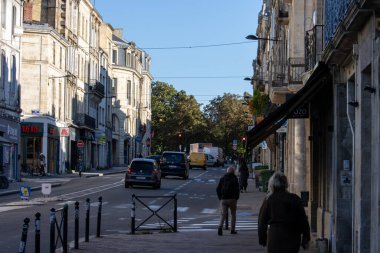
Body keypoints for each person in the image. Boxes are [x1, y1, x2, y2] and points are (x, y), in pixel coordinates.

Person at [258, 172, 310, 253]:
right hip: (292, 236)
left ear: (272, 184)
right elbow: (303, 219)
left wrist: (262, 238)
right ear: (285, 184)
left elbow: (262, 220)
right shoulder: (294, 198)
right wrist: (306, 238)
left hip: (275, 236)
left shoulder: (269, 199)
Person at [216, 166, 240, 236]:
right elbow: (237, 189)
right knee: (233, 214)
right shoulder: (234, 178)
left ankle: (220, 226)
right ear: (233, 172)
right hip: (232, 199)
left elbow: (218, 189)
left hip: (224, 199)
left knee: (223, 214)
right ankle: (232, 230)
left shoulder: (222, 178)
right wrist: (236, 197)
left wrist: (220, 197)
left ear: (227, 171)